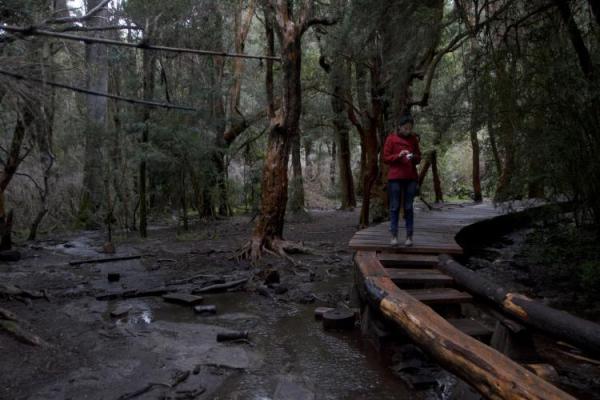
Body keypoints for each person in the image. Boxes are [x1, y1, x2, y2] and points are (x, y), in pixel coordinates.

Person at [383, 114, 421, 246]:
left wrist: (413, 157)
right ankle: (394, 236)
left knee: (409, 207)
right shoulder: (391, 139)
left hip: (410, 177)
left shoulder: (413, 140)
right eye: (405, 128)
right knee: (394, 207)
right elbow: (385, 158)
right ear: (399, 127)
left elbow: (419, 158)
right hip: (395, 178)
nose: (408, 130)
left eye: (410, 128)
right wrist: (398, 156)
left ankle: (409, 236)